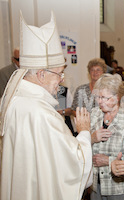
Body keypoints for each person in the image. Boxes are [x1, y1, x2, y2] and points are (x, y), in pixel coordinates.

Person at [0, 12, 92, 200]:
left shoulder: (14, 100)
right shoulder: (41, 112)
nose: (61, 80)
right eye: (59, 74)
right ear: (41, 74)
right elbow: (74, 164)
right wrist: (83, 132)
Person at [90, 74, 124, 200]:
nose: (99, 101)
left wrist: (108, 161)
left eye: (104, 97)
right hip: (95, 183)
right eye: (97, 97)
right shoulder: (94, 113)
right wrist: (91, 138)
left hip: (118, 186)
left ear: (118, 97)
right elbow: (80, 146)